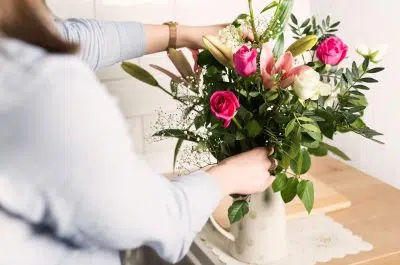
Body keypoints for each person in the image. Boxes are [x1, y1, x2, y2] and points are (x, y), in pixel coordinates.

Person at [0, 0, 276, 264]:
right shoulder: (40, 88)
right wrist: (230, 174)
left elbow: (70, 38)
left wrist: (187, 35)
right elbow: (162, 222)